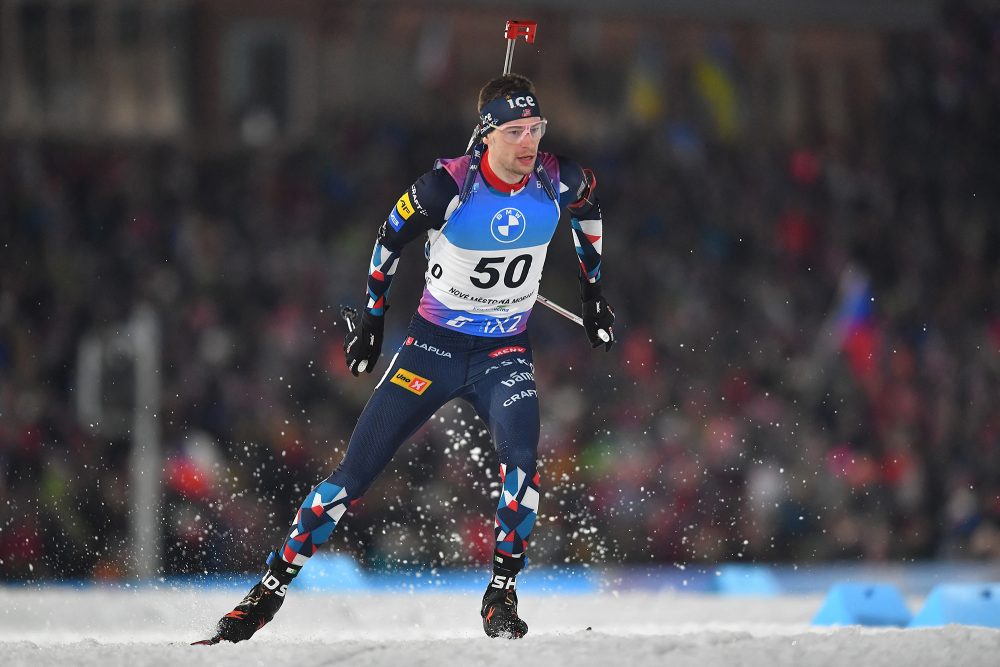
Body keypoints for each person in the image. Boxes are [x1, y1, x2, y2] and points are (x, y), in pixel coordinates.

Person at [201, 73, 615, 643]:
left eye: (536, 129)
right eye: (515, 131)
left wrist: (594, 293)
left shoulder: (558, 179)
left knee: (521, 467)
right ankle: (267, 592)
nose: (529, 143)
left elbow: (589, 210)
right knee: (352, 478)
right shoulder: (449, 185)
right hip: (432, 349)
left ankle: (501, 594)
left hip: (503, 351)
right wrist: (372, 321)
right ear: (487, 133)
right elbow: (388, 239)